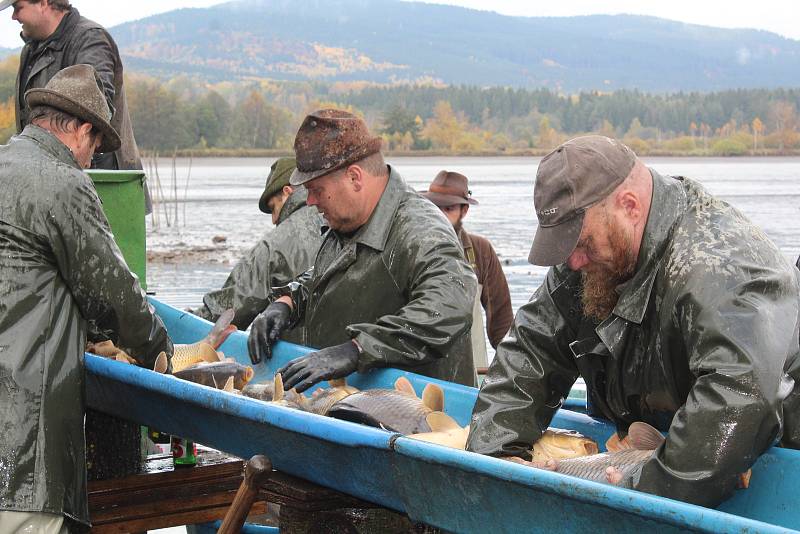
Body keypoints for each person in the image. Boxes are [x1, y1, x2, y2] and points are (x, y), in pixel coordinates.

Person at [466, 135, 800, 508]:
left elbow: (741, 393)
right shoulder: (592, 257)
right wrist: (494, 461)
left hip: (772, 472)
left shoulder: (717, 262)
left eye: (582, 243)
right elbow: (532, 348)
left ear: (630, 206)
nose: (573, 262)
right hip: (651, 446)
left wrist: (640, 490)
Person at [0, 64, 173, 533]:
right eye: (95, 146)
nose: (91, 160)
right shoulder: (61, 181)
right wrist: (160, 350)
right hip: (22, 458)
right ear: (80, 128)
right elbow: (115, 298)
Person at [247, 109, 478, 389]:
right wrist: (288, 303)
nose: (309, 201)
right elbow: (333, 274)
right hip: (354, 406)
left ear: (355, 178)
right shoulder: (348, 219)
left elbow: (449, 306)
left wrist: (357, 349)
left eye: (316, 190)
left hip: (420, 418)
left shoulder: (421, 231)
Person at [5, 0, 148, 197]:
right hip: (50, 181)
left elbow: (99, 108)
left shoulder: (90, 39)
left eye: (17, 8)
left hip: (102, 182)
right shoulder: (31, 50)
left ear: (44, 3)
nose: (13, 17)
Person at [192, 157, 324, 336]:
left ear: (287, 192)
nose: (274, 220)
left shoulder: (275, 245)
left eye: (273, 208)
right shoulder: (341, 219)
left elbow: (234, 303)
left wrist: (189, 319)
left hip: (298, 355)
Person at [421, 170, 513, 350]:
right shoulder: (410, 246)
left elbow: (501, 321)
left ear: (464, 210)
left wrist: (510, 366)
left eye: (449, 208)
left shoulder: (481, 250)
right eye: (435, 207)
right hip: (417, 370)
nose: (440, 215)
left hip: (472, 369)